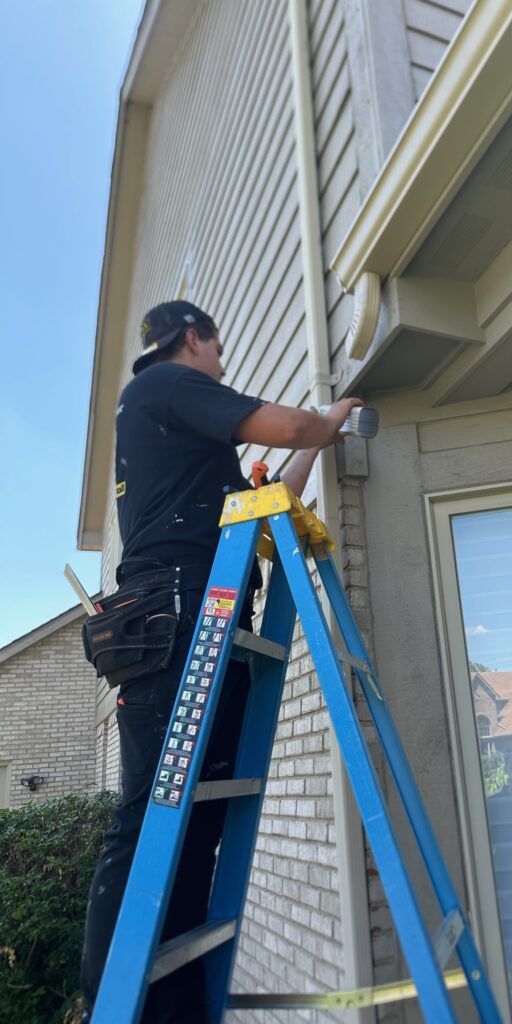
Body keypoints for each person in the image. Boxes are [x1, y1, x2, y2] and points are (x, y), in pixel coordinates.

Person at [80, 300, 362, 1022]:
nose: (224, 362)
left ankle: (169, 997)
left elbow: (271, 497)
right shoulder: (162, 387)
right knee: (149, 813)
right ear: (193, 339)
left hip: (203, 618)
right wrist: (326, 419)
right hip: (174, 618)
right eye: (218, 345)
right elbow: (291, 422)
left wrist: (316, 446)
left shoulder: (188, 452)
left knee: (196, 817)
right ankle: (109, 997)